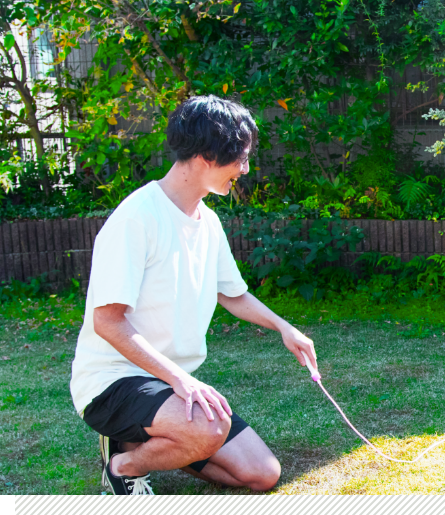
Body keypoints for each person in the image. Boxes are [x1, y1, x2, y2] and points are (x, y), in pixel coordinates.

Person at [70, 96, 319, 495]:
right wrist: (182, 380)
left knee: (261, 474)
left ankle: (160, 439)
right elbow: (108, 321)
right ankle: (124, 463)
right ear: (206, 154)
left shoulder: (208, 221)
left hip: (168, 384)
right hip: (113, 382)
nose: (245, 169)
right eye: (240, 158)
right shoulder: (136, 218)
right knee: (210, 427)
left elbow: (233, 294)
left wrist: (285, 328)